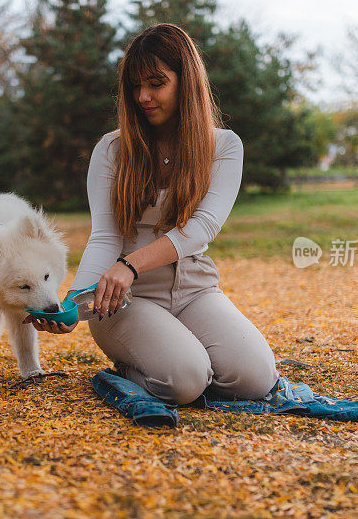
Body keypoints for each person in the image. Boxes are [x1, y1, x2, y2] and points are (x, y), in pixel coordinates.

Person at [25, 23, 280, 405]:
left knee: (256, 379)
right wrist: (76, 301)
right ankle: (134, 369)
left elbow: (201, 229)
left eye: (156, 83)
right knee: (186, 381)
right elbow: (104, 237)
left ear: (186, 82)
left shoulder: (225, 147)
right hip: (123, 299)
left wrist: (129, 263)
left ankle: (171, 356)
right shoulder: (111, 149)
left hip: (194, 289)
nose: (143, 96)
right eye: (134, 86)